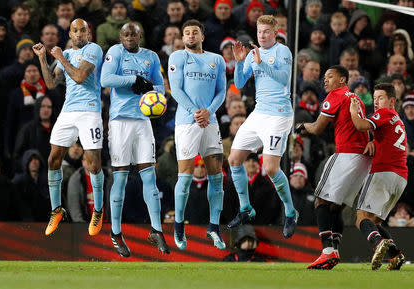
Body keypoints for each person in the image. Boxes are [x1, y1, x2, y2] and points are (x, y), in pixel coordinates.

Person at [100, 22, 169, 256]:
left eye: (133, 34)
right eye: (125, 34)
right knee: (119, 178)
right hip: (120, 121)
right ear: (120, 37)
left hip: (143, 121)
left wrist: (150, 88)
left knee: (150, 175)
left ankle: (156, 230)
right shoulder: (115, 53)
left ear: (140, 36)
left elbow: (160, 88)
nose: (129, 38)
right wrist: (133, 81)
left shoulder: (151, 57)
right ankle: (116, 233)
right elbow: (105, 80)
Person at [227, 15, 298, 239]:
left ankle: (290, 211)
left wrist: (261, 64)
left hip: (279, 114)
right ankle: (246, 208)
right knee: (234, 159)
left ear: (275, 33)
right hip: (259, 113)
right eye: (260, 32)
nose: (262, 35)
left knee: (270, 168)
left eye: (267, 31)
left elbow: (282, 78)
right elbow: (238, 84)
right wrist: (240, 63)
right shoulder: (252, 54)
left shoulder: (282, 52)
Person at [32, 19, 105, 237]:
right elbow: (51, 83)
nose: (80, 33)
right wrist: (43, 59)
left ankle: (98, 211)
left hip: (90, 110)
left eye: (84, 30)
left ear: (88, 34)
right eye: (76, 31)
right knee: (53, 158)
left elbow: (81, 77)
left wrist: (60, 57)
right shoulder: (65, 54)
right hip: (68, 111)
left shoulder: (93, 49)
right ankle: (56, 210)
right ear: (70, 34)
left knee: (93, 162)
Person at [295, 65, 372, 269]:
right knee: (336, 206)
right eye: (325, 77)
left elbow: (319, 127)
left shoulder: (336, 96)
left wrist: (303, 127)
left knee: (320, 200)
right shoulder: (355, 98)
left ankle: (327, 251)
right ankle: (334, 251)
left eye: (330, 76)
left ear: (342, 80)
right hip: (363, 160)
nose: (325, 80)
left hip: (347, 155)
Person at [168, 19, 227, 250]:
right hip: (187, 124)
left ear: (202, 36)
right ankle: (179, 226)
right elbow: (176, 90)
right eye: (187, 33)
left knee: (217, 178)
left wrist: (208, 112)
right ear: (183, 38)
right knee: (184, 176)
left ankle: (214, 227)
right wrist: (196, 113)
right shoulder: (178, 57)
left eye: (195, 32)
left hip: (210, 123)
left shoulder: (217, 60)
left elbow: (222, 90)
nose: (191, 36)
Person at [349, 83, 408, 270]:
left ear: (392, 101)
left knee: (361, 218)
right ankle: (396, 255)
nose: (375, 102)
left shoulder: (385, 113)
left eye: (380, 98)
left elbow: (360, 125)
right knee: (375, 221)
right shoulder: (397, 119)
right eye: (374, 98)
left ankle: (377, 244)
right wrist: (374, 141)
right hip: (400, 178)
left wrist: (354, 110)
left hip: (383, 172)